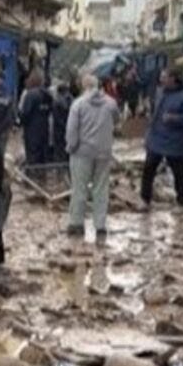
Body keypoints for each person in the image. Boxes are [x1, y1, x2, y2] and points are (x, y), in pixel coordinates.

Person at [65, 74, 120, 241]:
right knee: (101, 189)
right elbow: (117, 121)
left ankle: (76, 224)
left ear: (83, 87)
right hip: (104, 152)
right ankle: (100, 226)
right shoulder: (111, 103)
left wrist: (71, 147)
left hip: (82, 153)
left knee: (79, 189)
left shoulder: (78, 104)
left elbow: (72, 130)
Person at [140, 68, 183, 213]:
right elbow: (154, 115)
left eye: (164, 77)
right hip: (156, 139)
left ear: (173, 79)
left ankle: (181, 203)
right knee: (148, 170)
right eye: (161, 77)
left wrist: (175, 118)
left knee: (178, 172)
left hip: (174, 142)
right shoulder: (160, 93)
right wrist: (148, 136)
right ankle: (145, 201)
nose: (161, 80)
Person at [18, 70, 53, 168]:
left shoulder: (31, 95)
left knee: (33, 157)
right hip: (44, 130)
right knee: (43, 157)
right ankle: (42, 179)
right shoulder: (48, 95)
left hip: (32, 131)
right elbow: (50, 110)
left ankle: (33, 178)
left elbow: (25, 113)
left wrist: (19, 121)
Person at [51, 83, 73, 163]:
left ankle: (60, 168)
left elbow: (56, 117)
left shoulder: (56, 101)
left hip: (59, 129)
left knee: (59, 149)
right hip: (70, 128)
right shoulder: (72, 100)